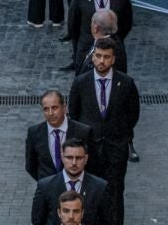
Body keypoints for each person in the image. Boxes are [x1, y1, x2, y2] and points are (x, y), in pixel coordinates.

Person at [68, 38, 139, 225]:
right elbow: (74, 115)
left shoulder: (126, 83)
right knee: (89, 194)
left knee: (115, 194)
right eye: (98, 56)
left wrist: (121, 136)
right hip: (90, 151)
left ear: (113, 59)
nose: (101, 61)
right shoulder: (81, 83)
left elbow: (133, 115)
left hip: (115, 149)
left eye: (106, 57)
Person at [65, 0, 134, 75]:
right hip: (86, 49)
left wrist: (112, 37)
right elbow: (73, 26)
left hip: (113, 51)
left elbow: (126, 24)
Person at [30, 138, 112, 225]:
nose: (74, 162)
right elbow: (37, 221)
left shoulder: (100, 187)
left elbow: (108, 221)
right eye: (69, 157)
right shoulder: (45, 186)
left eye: (79, 158)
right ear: (62, 157)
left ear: (86, 159)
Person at [25, 88, 92, 183]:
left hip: (75, 189)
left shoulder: (83, 132)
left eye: (54, 108)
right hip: (47, 191)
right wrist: (46, 183)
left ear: (64, 108)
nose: (51, 113)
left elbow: (92, 165)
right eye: (46, 109)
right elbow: (30, 165)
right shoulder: (34, 133)